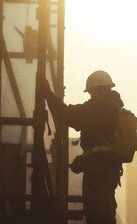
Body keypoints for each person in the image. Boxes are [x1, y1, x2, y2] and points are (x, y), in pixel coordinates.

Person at [42, 70, 123, 224]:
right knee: (104, 213)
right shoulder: (114, 108)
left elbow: (67, 114)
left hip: (99, 173)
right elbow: (100, 147)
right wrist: (84, 159)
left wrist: (48, 93)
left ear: (96, 90)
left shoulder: (100, 108)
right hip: (106, 170)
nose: (91, 96)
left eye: (92, 92)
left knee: (98, 216)